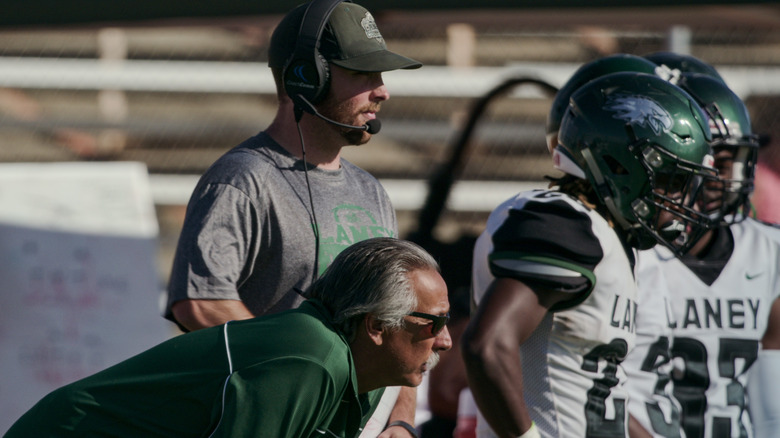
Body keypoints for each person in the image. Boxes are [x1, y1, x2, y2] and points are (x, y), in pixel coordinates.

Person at [163, 0, 423, 434]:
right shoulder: (242, 179)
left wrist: (401, 421)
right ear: (306, 77)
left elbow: (403, 321)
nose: (383, 90)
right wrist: (303, 373)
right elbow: (200, 302)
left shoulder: (372, 192)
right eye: (362, 73)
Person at [461, 71, 716, 438]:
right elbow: (486, 345)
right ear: (619, 165)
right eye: (671, 182)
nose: (678, 201)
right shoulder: (562, 221)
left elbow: (599, 396)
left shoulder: (604, 234)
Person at [5, 238, 453, 438]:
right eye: (433, 322)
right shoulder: (310, 357)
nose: (445, 340)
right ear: (375, 327)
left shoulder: (350, 372)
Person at [632, 56, 780, 438]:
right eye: (702, 160)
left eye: (728, 160)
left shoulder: (768, 251)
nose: (715, 177)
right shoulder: (625, 251)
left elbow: (771, 400)